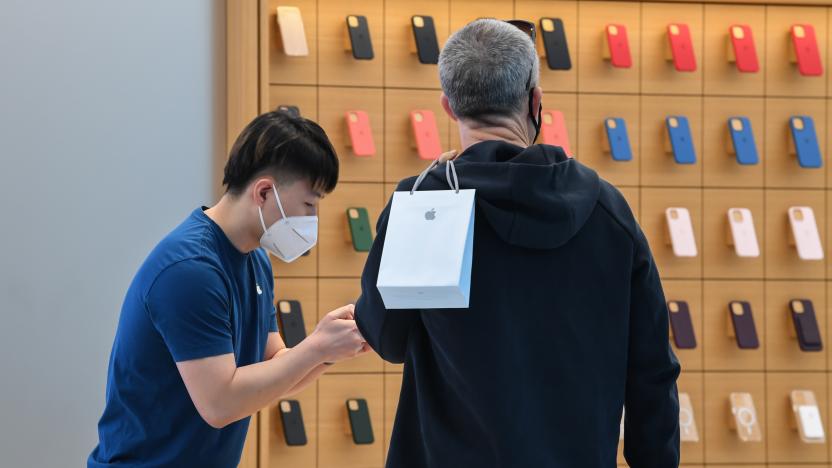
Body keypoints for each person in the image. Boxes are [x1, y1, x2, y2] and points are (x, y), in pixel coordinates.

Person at [355, 19, 681, 468]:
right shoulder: (608, 211)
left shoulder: (421, 205)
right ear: (535, 100)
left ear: (449, 107)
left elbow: (386, 338)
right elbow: (652, 369)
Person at [89, 111, 369, 467]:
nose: (313, 220)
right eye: (309, 204)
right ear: (264, 192)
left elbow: (275, 369)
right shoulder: (190, 270)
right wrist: (316, 347)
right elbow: (220, 404)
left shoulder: (255, 259)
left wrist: (331, 348)